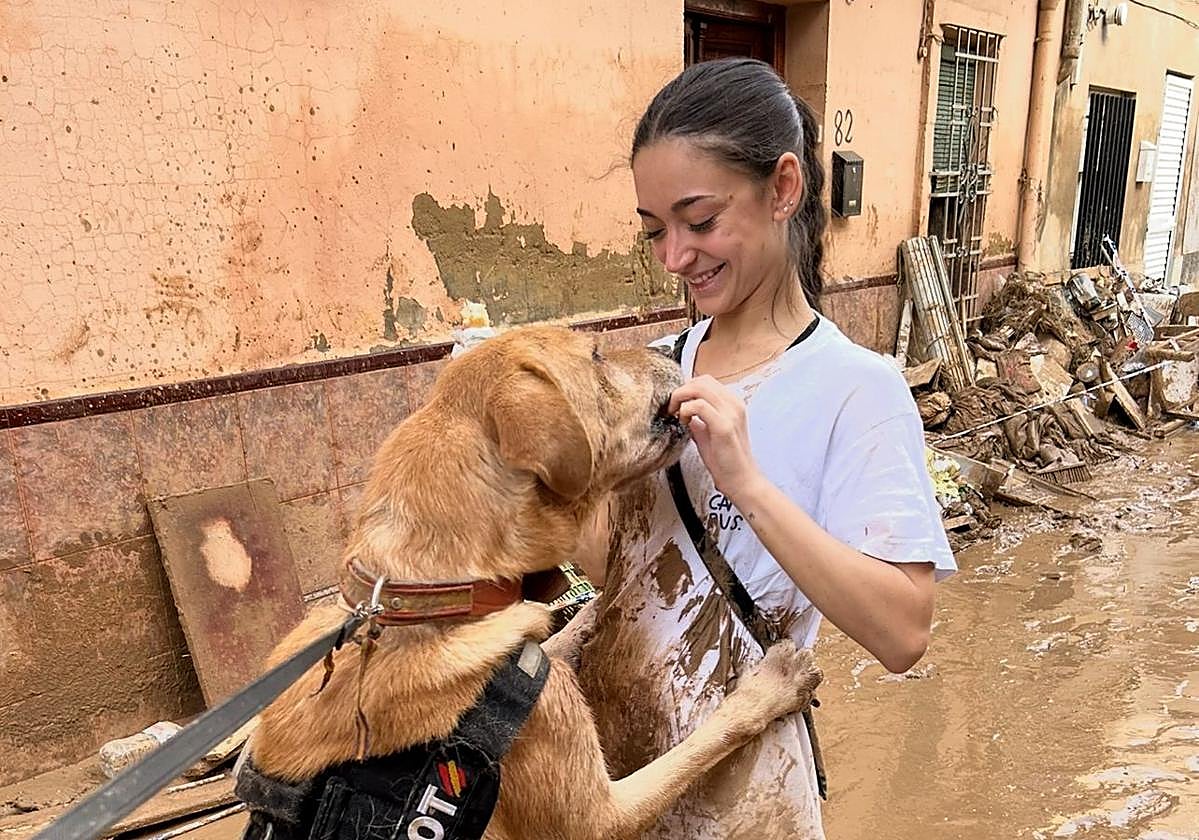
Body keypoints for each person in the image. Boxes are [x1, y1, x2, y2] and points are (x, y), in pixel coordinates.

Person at [574, 58, 957, 839]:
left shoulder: (857, 388)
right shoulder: (654, 373)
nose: (674, 256)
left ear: (782, 188)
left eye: (699, 221)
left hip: (745, 798)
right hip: (615, 781)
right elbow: (617, 578)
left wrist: (744, 483)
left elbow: (901, 634)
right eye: (654, 231)